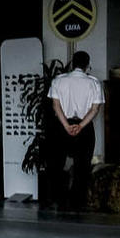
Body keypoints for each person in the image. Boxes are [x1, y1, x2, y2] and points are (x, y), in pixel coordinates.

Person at [47, 50, 104, 210]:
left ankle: (58, 200)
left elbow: (55, 106)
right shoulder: (94, 83)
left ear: (72, 63)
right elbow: (94, 109)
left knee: (57, 164)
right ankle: (77, 202)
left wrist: (66, 125)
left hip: (61, 127)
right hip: (84, 127)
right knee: (82, 166)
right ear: (87, 65)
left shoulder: (59, 80)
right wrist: (80, 126)